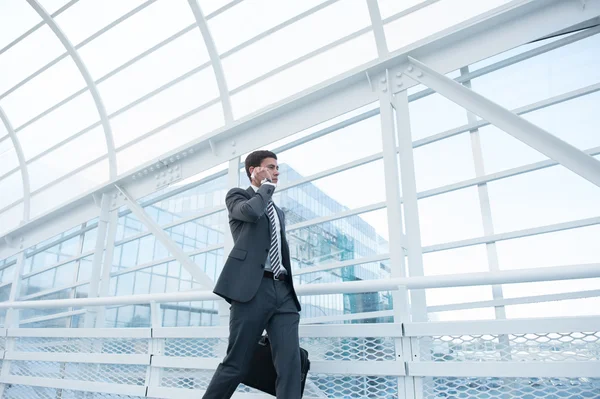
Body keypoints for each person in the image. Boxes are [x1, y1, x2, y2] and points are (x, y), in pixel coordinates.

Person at [203, 150, 302, 399]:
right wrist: (265, 187)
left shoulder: (278, 212)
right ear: (254, 170)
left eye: (277, 168)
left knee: (291, 366)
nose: (277, 172)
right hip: (251, 291)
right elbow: (250, 212)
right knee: (236, 364)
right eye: (271, 167)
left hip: (283, 291)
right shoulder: (238, 197)